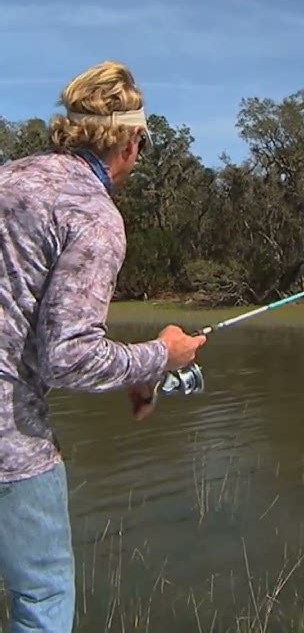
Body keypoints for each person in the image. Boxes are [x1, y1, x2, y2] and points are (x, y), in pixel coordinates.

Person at [0, 61, 206, 632]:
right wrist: (162, 355)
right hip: (9, 443)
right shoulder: (93, 214)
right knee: (41, 601)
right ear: (131, 141)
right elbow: (68, 358)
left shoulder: (9, 176)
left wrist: (130, 371)